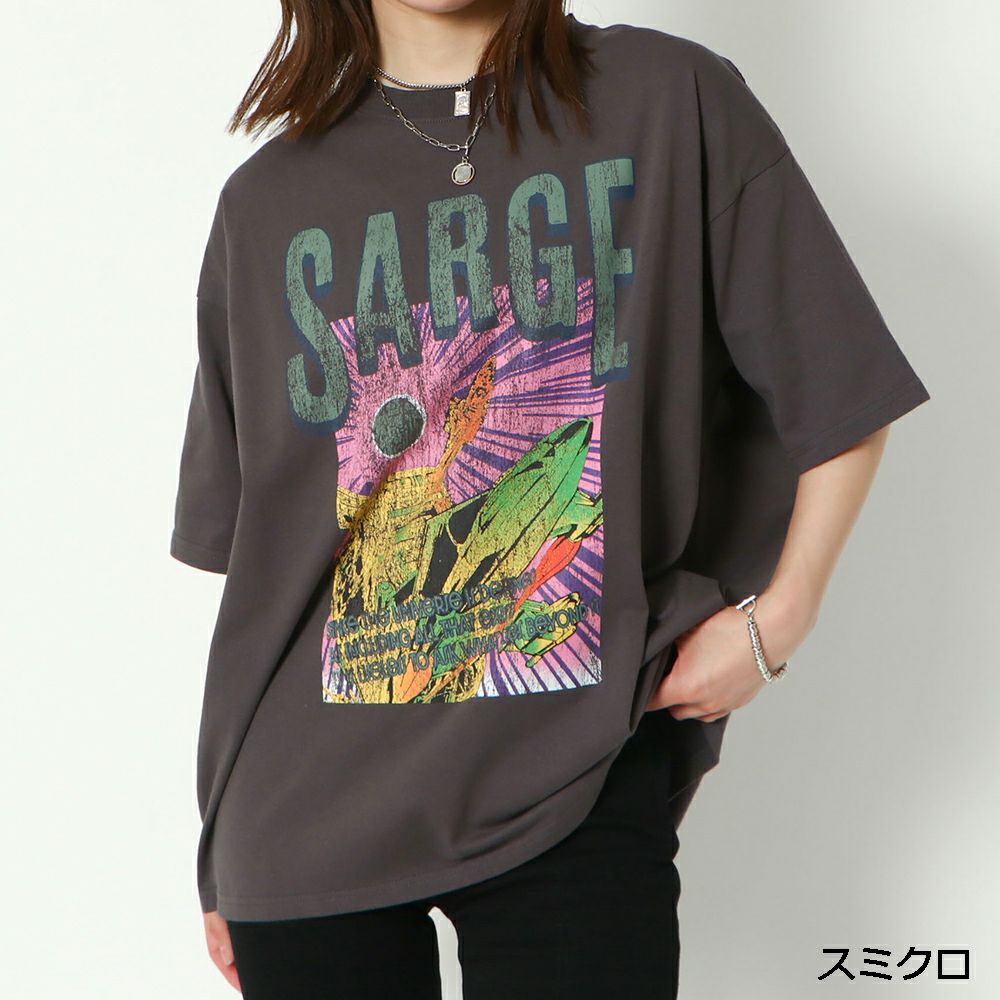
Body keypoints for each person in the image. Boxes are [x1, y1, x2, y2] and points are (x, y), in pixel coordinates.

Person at [168, 2, 931, 996]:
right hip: (303, 811)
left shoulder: (666, 101)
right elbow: (267, 565)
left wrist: (777, 623)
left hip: (575, 776)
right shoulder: (267, 202)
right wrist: (221, 840)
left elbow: (841, 385)